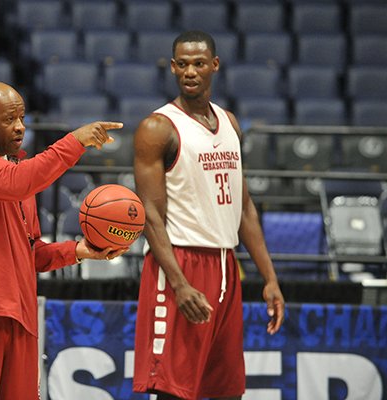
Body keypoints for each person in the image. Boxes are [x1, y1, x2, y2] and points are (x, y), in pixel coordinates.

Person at [0, 81, 126, 399]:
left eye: (22, 118)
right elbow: (18, 183)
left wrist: (79, 250)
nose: (20, 127)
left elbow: (30, 253)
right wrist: (73, 142)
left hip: (20, 315)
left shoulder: (18, 174)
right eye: (9, 119)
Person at [132, 31, 285, 400]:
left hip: (225, 265)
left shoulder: (230, 124)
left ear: (214, 65)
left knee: (225, 390)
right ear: (172, 68)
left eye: (199, 63)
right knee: (172, 390)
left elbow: (244, 206)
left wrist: (270, 278)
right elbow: (150, 214)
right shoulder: (158, 128)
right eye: (182, 64)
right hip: (179, 262)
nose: (190, 71)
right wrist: (179, 283)